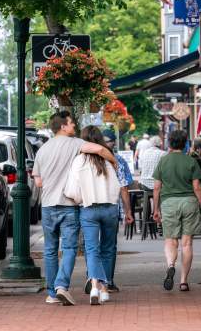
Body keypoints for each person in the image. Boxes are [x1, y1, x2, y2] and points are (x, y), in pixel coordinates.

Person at [32, 111, 116, 306]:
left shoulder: (42, 150)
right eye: (71, 123)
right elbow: (100, 150)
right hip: (69, 206)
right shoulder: (75, 143)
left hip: (47, 206)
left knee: (50, 250)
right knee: (69, 248)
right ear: (63, 126)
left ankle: (52, 293)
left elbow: (38, 183)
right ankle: (62, 286)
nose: (74, 127)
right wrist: (114, 161)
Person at [63, 126, 122, 305]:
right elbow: (117, 186)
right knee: (108, 248)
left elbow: (72, 191)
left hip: (88, 209)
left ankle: (95, 286)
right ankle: (104, 287)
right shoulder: (108, 161)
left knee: (92, 249)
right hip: (109, 208)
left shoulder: (78, 161)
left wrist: (83, 198)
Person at [152, 130, 201, 292]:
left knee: (170, 240)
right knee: (187, 243)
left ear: (169, 143)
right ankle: (183, 281)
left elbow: (157, 187)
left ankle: (171, 264)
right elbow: (197, 187)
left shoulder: (163, 161)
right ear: (185, 143)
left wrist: (156, 209)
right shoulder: (191, 161)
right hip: (189, 203)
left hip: (169, 203)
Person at [91, 128, 134, 294]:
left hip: (91, 207)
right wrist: (127, 210)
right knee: (108, 246)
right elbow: (124, 187)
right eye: (107, 141)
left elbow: (124, 188)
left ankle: (94, 280)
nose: (110, 143)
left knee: (94, 246)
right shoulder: (118, 160)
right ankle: (105, 281)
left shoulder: (85, 159)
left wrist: (127, 210)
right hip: (110, 207)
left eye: (110, 141)